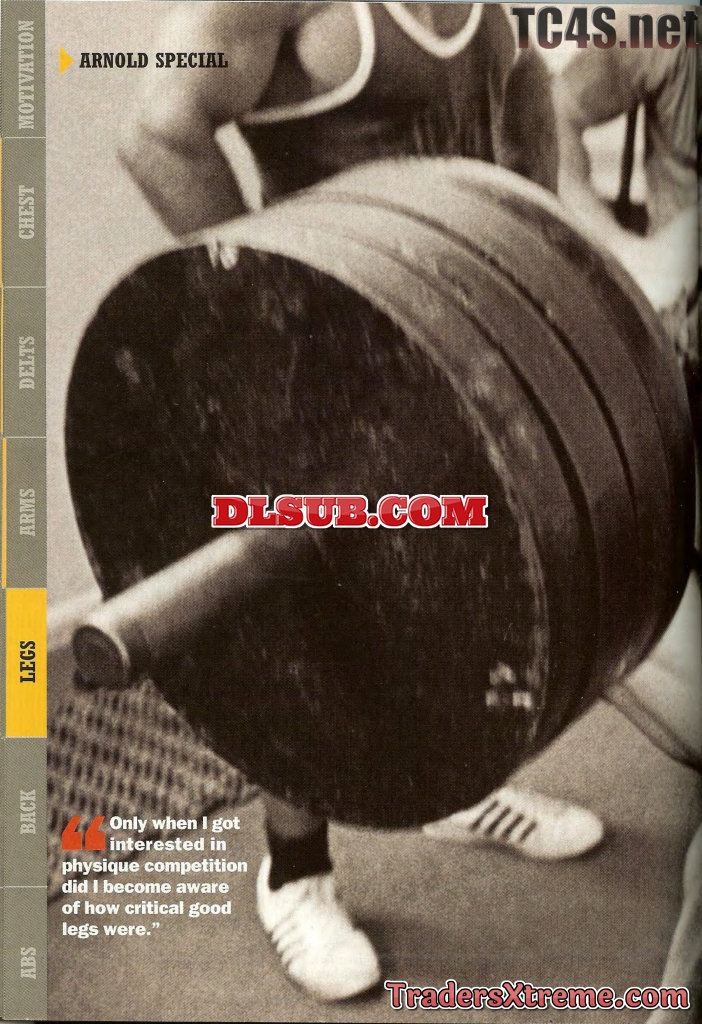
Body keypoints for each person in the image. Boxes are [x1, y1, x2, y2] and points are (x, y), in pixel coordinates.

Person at [120, 2, 603, 1001]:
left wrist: (525, 267)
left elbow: (525, 93)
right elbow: (157, 131)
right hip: (316, 351)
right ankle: (294, 873)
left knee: (461, 565)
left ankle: (454, 790)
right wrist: (277, 278)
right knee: (305, 604)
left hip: (452, 337)